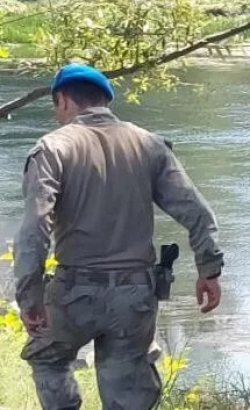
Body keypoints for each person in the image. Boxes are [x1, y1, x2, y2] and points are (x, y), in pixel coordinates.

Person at [12, 63, 225, 410]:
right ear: (105, 101)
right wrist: (209, 269)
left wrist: (30, 295)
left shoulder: (52, 148)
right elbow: (197, 212)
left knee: (48, 358)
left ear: (63, 100)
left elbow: (35, 226)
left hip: (73, 294)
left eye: (55, 107)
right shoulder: (149, 144)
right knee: (128, 391)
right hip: (135, 297)